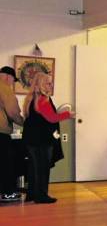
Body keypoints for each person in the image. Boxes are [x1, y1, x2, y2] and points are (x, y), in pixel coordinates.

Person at [22, 72, 74, 204]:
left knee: (34, 168)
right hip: (42, 140)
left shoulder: (30, 99)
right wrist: (68, 114)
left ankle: (32, 194)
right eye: (48, 83)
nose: (51, 85)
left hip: (31, 139)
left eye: (51, 83)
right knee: (42, 168)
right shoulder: (43, 99)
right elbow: (51, 118)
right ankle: (41, 196)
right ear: (40, 84)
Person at [0, 66, 24, 202]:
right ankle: (7, 193)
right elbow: (13, 112)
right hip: (1, 132)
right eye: (13, 80)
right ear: (8, 77)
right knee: (6, 164)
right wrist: (26, 123)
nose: (12, 83)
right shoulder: (4, 88)